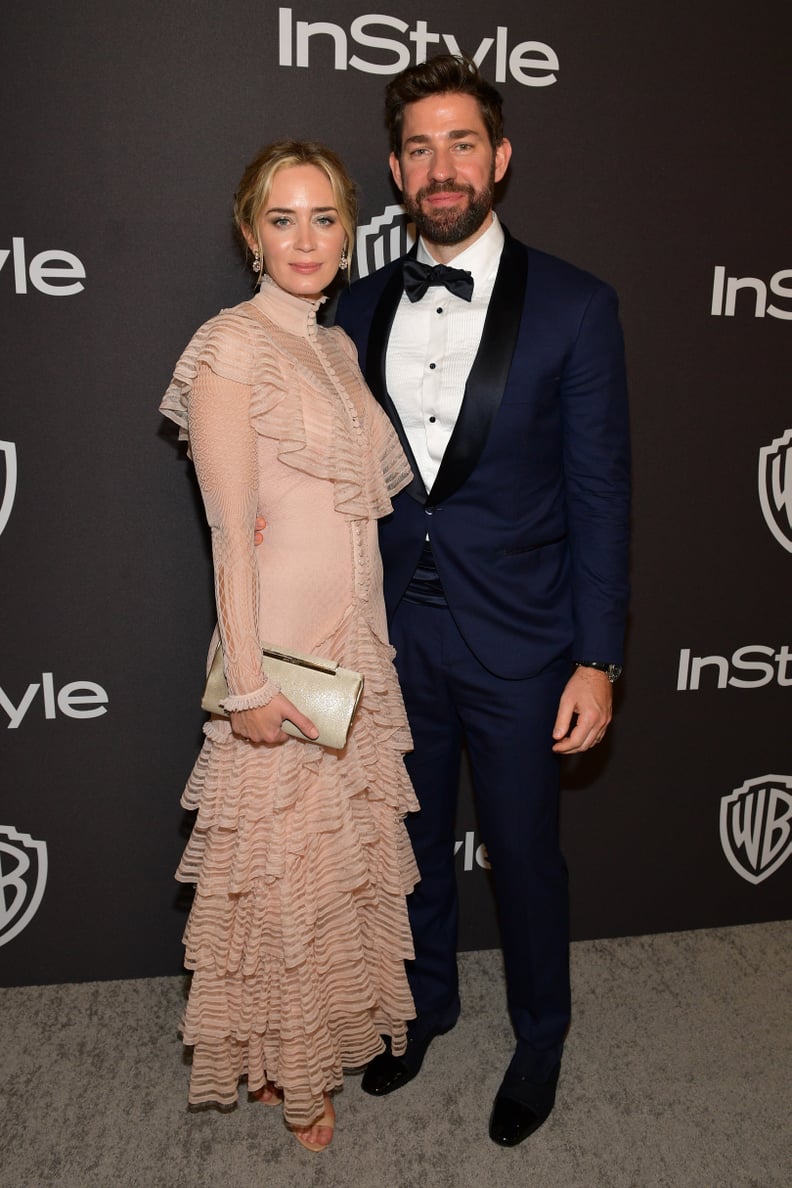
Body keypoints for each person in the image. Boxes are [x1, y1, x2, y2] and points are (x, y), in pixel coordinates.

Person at [334, 54, 631, 1147]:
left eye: (463, 143)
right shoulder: (355, 306)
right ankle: (423, 1010)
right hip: (391, 637)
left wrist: (598, 658)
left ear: (500, 157)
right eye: (419, 147)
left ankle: (541, 1035)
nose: (441, 166)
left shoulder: (576, 306)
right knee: (407, 845)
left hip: (522, 644)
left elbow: (602, 492)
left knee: (524, 854)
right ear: (397, 168)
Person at [159, 140, 419, 1153]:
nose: (305, 240)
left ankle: (285, 1057)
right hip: (284, 664)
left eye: (323, 218)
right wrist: (249, 686)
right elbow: (229, 534)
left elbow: (361, 514)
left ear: (349, 232)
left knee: (322, 877)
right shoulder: (229, 349)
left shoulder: (338, 346)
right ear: (248, 233)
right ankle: (297, 1081)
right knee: (275, 876)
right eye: (283, 219)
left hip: (358, 650)